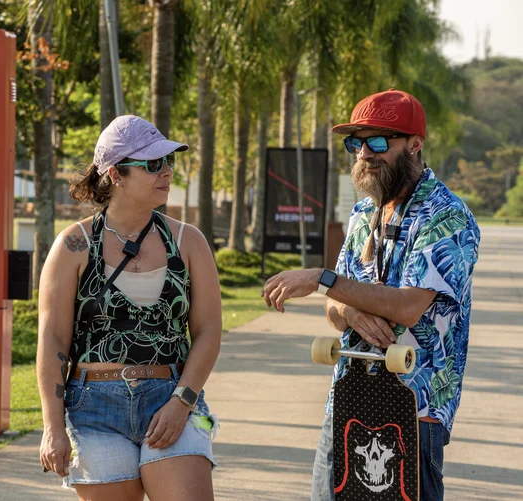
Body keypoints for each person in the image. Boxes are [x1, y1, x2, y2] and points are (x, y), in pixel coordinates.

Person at [260, 89, 480, 501]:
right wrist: (348, 307)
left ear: (415, 145)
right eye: (356, 142)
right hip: (346, 402)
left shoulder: (446, 215)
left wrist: (323, 280)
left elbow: (408, 308)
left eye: (379, 141)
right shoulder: (364, 213)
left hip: (414, 412)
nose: (365, 152)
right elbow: (335, 309)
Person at [37, 115, 222, 501]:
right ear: (116, 174)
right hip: (94, 409)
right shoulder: (73, 245)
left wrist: (182, 402)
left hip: (171, 396)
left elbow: (207, 331)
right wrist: (52, 428)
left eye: (169, 162)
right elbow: (53, 339)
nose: (167, 171)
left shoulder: (189, 242)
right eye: (153, 164)